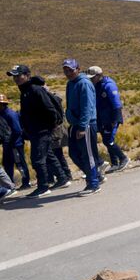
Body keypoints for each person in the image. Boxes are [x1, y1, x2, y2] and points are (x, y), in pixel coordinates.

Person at [7, 64, 69, 198]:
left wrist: (51, 126)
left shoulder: (35, 90)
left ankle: (43, 186)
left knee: (37, 159)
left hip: (41, 130)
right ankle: (62, 178)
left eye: (19, 76)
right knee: (48, 155)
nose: (16, 79)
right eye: (14, 76)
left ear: (27, 75)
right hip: (35, 130)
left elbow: (49, 109)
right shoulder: (25, 90)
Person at [63, 59, 101, 195]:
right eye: (66, 70)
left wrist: (82, 127)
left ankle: (94, 183)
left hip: (86, 124)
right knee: (74, 154)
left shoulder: (84, 83)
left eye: (71, 70)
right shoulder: (70, 84)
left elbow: (87, 106)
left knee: (88, 155)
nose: (68, 73)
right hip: (74, 124)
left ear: (78, 69)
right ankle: (95, 175)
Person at [87, 66, 129, 173]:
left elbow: (116, 103)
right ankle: (114, 163)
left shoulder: (108, 85)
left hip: (111, 118)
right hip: (102, 118)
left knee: (108, 140)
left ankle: (124, 158)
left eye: (93, 77)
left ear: (99, 75)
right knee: (106, 140)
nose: (91, 79)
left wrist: (114, 120)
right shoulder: (96, 85)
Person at [0, 93, 30, 189]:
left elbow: (17, 131)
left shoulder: (10, 114)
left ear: (3, 104)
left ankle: (26, 183)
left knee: (20, 164)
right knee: (7, 165)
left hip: (15, 144)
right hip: (7, 144)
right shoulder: (2, 114)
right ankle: (10, 185)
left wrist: (10, 142)